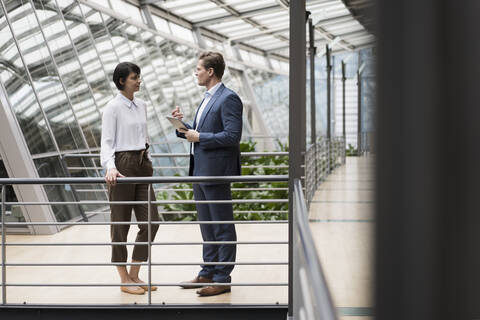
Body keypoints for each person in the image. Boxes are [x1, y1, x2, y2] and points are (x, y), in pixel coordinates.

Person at [171, 52, 243, 297]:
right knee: (207, 226)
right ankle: (207, 271)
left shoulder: (229, 98)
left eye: (199, 69)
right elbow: (199, 132)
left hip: (216, 172)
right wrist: (183, 127)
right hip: (200, 171)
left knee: (222, 226)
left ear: (211, 71)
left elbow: (233, 136)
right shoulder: (207, 99)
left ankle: (222, 278)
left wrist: (199, 136)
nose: (196, 72)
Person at [101, 62, 159, 295]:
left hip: (142, 163)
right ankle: (124, 278)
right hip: (122, 165)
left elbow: (143, 135)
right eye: (135, 77)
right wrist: (110, 167)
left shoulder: (141, 105)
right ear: (122, 81)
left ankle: (135, 274)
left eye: (139, 76)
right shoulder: (112, 108)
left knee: (152, 221)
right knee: (120, 225)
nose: (139, 80)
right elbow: (106, 143)